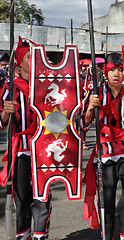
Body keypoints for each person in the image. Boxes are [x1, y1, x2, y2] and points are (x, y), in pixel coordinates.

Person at [82, 52, 124, 240]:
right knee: (106, 201)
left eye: (121, 70)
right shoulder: (96, 93)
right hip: (104, 154)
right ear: (105, 72)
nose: (117, 74)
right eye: (112, 70)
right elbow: (83, 125)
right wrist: (91, 108)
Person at [0, 37, 52, 240]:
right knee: (21, 199)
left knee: (42, 197)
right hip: (21, 152)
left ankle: (41, 236)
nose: (35, 60)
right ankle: (24, 236)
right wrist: (6, 112)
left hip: (43, 152)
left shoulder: (47, 86)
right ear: (19, 63)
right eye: (30, 57)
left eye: (37, 57)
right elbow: (1, 123)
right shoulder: (9, 88)